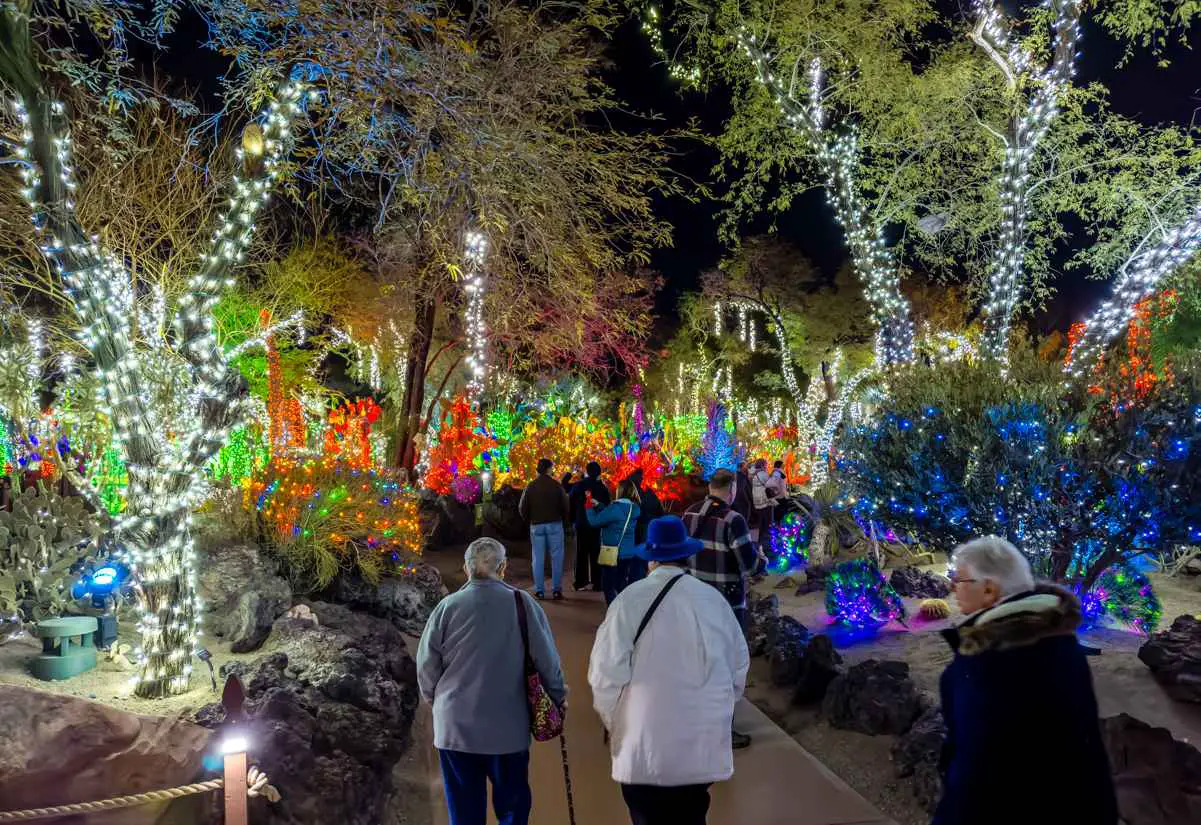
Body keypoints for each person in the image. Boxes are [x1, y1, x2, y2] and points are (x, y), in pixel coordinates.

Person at [934, 536, 1117, 825]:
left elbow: (975, 774)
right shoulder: (1058, 642)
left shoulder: (990, 663)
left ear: (989, 589)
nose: (953, 587)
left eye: (959, 580)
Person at [588, 516, 749, 825]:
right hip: (697, 747)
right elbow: (737, 666)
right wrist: (716, 713)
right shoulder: (712, 600)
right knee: (692, 814)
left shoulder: (627, 602)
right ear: (686, 555)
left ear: (649, 560)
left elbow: (605, 675)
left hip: (643, 742)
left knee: (646, 815)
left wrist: (615, 721)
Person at [417, 538, 567, 825]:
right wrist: (558, 699)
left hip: (455, 727)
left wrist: (437, 702)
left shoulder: (447, 607)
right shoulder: (524, 604)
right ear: (503, 567)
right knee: (512, 810)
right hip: (508, 730)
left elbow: (426, 666)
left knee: (464, 813)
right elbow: (548, 663)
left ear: (465, 568)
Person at [682, 468, 759, 749]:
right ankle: (723, 729)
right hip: (726, 604)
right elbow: (747, 565)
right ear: (733, 489)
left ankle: (697, 720)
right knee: (725, 666)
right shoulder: (733, 520)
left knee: (700, 661)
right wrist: (759, 558)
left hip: (694, 600)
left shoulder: (689, 514)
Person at [518, 457, 570, 600]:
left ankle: (539, 590)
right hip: (554, 524)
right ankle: (556, 589)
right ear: (548, 469)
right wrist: (565, 521)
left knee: (537, 557)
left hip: (536, 525)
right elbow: (566, 505)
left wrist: (529, 519)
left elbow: (522, 508)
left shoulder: (530, 486)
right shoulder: (556, 485)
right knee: (557, 556)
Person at [587, 478, 642, 604]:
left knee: (608, 586)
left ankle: (614, 615)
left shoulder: (615, 508)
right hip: (628, 552)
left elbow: (594, 522)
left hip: (612, 552)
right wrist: (600, 505)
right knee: (620, 584)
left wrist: (589, 507)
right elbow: (615, 516)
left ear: (620, 491)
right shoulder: (634, 508)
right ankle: (625, 611)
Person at [570, 461, 611, 591]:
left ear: (587, 471)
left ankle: (581, 581)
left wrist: (573, 519)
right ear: (599, 473)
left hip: (581, 523)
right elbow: (606, 506)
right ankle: (597, 581)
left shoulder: (578, 486)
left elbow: (571, 503)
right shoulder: (603, 488)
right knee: (596, 552)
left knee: (581, 552)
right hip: (597, 524)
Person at [629, 469, 663, 581]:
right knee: (644, 556)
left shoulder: (632, 496)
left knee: (636, 558)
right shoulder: (649, 493)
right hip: (649, 529)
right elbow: (660, 511)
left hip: (637, 530)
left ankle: (635, 580)